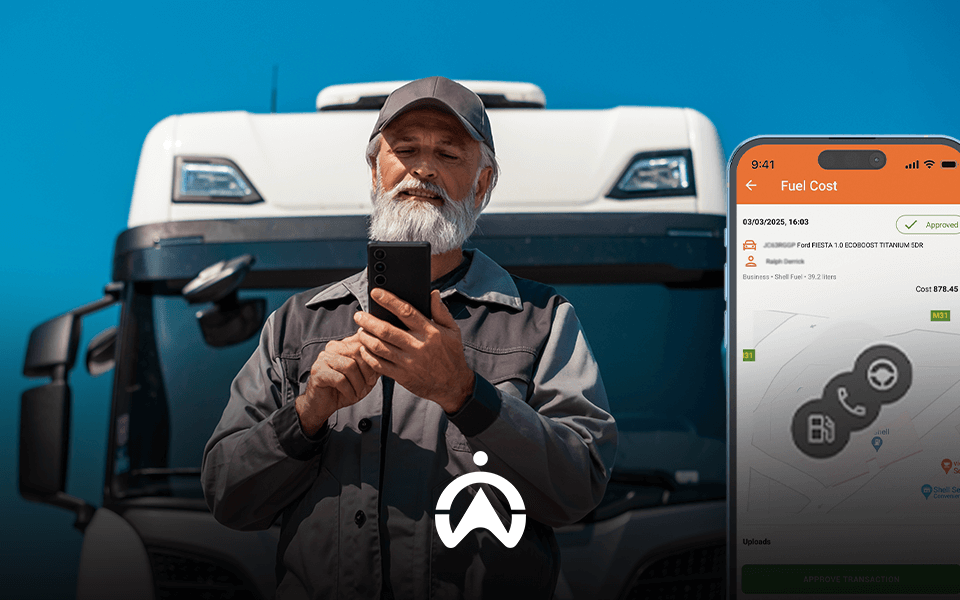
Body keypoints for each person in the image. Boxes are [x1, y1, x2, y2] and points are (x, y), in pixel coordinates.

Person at [201, 76, 617, 600]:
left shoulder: (542, 319)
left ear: (483, 184)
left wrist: (465, 394)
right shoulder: (295, 324)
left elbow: (580, 488)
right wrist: (306, 413)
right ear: (375, 171)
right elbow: (227, 496)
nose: (423, 168)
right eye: (405, 149)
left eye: (448, 153)